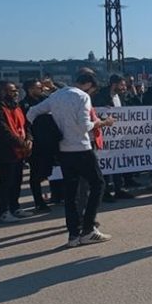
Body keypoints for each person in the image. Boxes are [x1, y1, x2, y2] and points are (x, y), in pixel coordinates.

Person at [27, 71, 116, 248]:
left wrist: (47, 131)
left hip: (63, 149)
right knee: (98, 184)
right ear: (89, 85)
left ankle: (73, 234)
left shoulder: (56, 95)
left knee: (71, 192)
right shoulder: (82, 97)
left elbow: (32, 113)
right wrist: (103, 122)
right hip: (81, 147)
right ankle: (89, 229)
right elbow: (85, 125)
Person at [0, 81, 34, 223]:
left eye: (16, 90)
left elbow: (26, 125)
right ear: (2, 92)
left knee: (17, 180)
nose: (16, 93)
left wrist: (29, 139)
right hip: (6, 151)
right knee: (6, 181)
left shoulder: (17, 106)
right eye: (12, 91)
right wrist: (22, 144)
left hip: (20, 151)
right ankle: (4, 211)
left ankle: (15, 207)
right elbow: (3, 131)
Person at [92, 74, 135, 201]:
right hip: (104, 136)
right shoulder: (100, 96)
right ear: (114, 84)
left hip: (117, 136)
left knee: (118, 162)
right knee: (105, 164)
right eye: (122, 85)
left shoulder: (120, 96)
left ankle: (118, 189)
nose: (124, 87)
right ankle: (105, 192)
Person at [18, 78, 51, 212]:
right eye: (39, 88)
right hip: (36, 143)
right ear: (30, 89)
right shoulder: (24, 105)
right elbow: (25, 125)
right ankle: (39, 201)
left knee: (47, 171)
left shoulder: (45, 100)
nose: (42, 90)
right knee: (36, 174)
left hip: (49, 141)